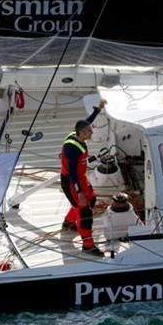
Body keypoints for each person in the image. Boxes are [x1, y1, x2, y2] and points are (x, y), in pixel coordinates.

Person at [60, 98, 107, 257]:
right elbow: (72, 173)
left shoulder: (76, 133)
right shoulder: (72, 150)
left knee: (92, 200)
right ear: (81, 133)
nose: (91, 132)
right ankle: (88, 245)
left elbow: (87, 121)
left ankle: (68, 223)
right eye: (88, 131)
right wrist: (79, 192)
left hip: (79, 178)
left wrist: (98, 109)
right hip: (72, 182)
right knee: (85, 212)